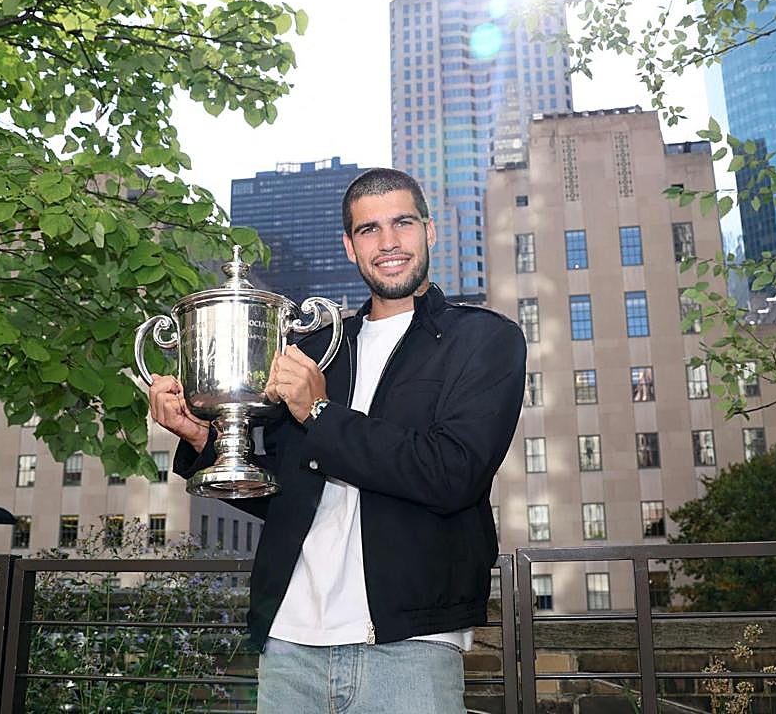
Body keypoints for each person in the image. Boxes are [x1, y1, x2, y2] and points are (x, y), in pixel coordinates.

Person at [148, 168, 526, 713]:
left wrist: (319, 412)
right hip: (289, 642)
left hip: (410, 647)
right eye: (369, 230)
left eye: (403, 223)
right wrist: (203, 440)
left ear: (430, 231)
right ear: (349, 247)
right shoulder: (319, 347)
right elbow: (282, 494)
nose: (389, 242)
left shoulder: (484, 339)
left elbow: (453, 475)